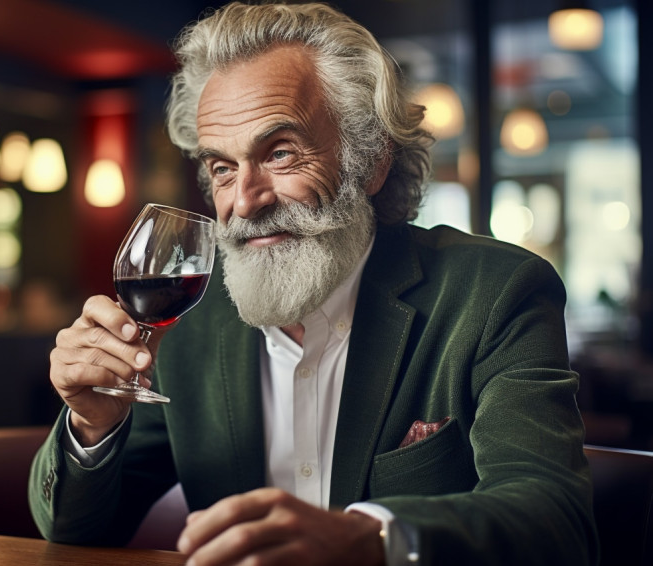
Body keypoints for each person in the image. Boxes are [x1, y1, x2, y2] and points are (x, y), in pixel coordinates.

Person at [29, 2, 598, 565]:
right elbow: (76, 531)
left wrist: (373, 540)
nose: (244, 201)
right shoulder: (188, 321)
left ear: (370, 160)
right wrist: (92, 424)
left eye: (279, 153)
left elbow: (558, 522)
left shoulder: (497, 291)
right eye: (222, 168)